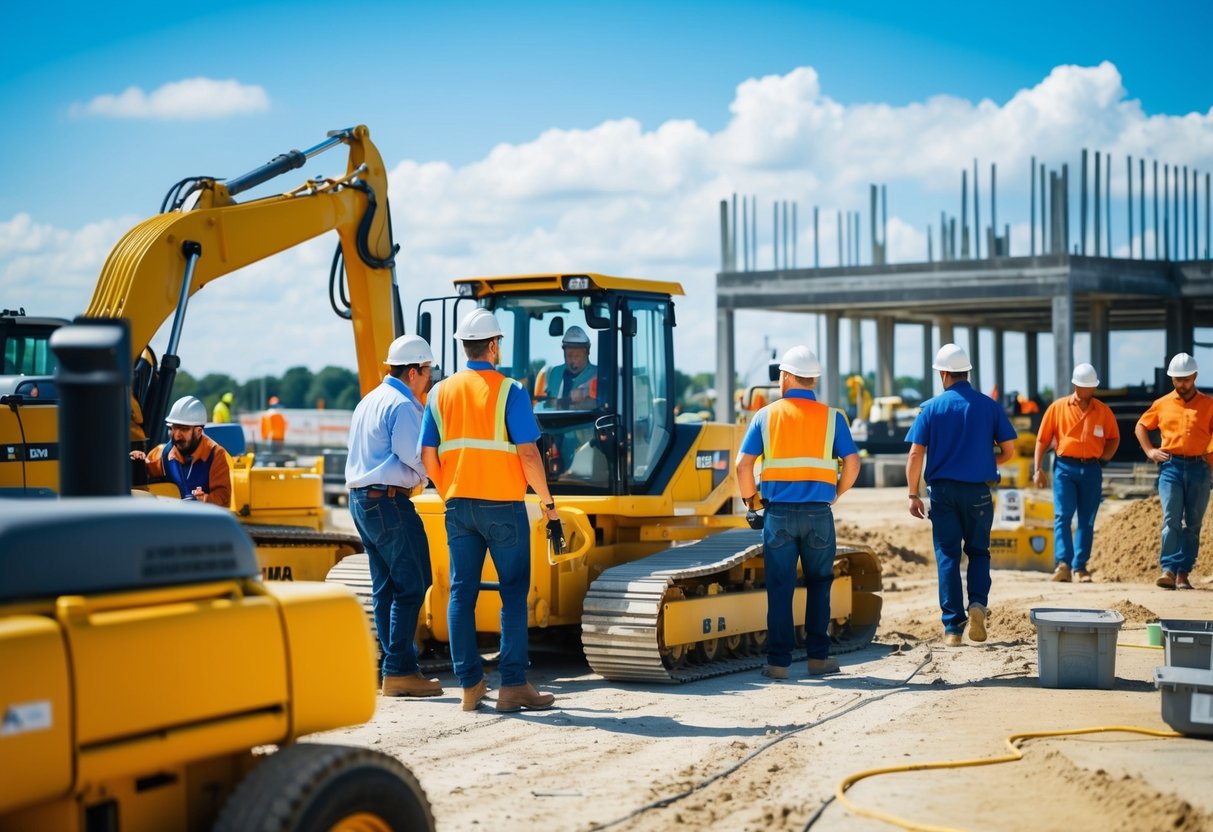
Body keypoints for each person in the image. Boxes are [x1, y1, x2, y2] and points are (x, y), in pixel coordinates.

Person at [420, 308, 561, 713]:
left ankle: (470, 686)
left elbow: (427, 455)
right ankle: (513, 685)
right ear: (494, 345)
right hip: (503, 505)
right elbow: (530, 454)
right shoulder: (510, 391)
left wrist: (447, 490)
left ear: (463, 345)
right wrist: (549, 504)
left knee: (461, 592)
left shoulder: (440, 393)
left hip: (458, 505)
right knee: (513, 593)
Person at [735, 345, 861, 679]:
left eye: (780, 376)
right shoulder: (833, 417)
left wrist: (752, 502)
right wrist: (837, 493)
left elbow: (743, 465)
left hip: (777, 516)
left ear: (788, 377)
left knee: (779, 587)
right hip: (819, 514)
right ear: (813, 379)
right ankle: (818, 659)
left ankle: (778, 663)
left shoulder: (765, 416)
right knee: (820, 583)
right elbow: (853, 462)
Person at [346, 334, 443, 698]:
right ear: (414, 370)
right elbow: (415, 457)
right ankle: (400, 669)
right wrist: (436, 474)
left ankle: (392, 665)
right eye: (428, 370)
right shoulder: (402, 406)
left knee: (387, 585)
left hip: (363, 501)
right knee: (412, 582)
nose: (429, 378)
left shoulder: (370, 400)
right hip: (388, 502)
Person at [905, 344, 1017, 647]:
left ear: (943, 374)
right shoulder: (988, 406)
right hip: (978, 492)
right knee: (979, 552)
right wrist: (984, 462)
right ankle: (978, 604)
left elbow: (916, 454)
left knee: (948, 556)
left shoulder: (931, 408)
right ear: (967, 371)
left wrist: (913, 494)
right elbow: (1008, 450)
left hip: (942, 493)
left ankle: (953, 628)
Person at [1033, 363, 1121, 583]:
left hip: (1092, 468)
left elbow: (1114, 438)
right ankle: (1063, 564)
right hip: (1064, 467)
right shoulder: (1058, 407)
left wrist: (1104, 459)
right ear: (1075, 385)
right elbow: (1043, 440)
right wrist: (1038, 469)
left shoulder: (1103, 411)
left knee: (1087, 519)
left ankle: (1080, 567)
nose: (1087, 391)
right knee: (1062, 516)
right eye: (1084, 387)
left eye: (1091, 387)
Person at [1134, 352, 1213, 591]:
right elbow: (1141, 426)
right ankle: (1168, 569)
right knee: (1171, 519)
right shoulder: (1162, 404)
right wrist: (1150, 451)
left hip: (1200, 468)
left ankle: (1183, 573)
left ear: (1195, 376)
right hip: (1171, 467)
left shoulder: (1208, 405)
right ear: (1172, 379)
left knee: (1194, 522)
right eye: (1177, 379)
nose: (1182, 384)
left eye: (1186, 379)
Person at [130, 395, 232, 507]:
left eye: (184, 429)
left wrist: (205, 499)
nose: (177, 436)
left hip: (203, 521)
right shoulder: (165, 453)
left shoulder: (216, 455)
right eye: (173, 428)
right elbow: (149, 470)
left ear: (198, 432)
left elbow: (224, 496)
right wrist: (138, 460)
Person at [534, 326, 597, 409]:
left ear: (587, 352)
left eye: (577, 355)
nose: (573, 359)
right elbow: (546, 404)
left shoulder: (597, 373)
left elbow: (599, 405)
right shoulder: (555, 373)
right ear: (564, 352)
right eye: (569, 355)